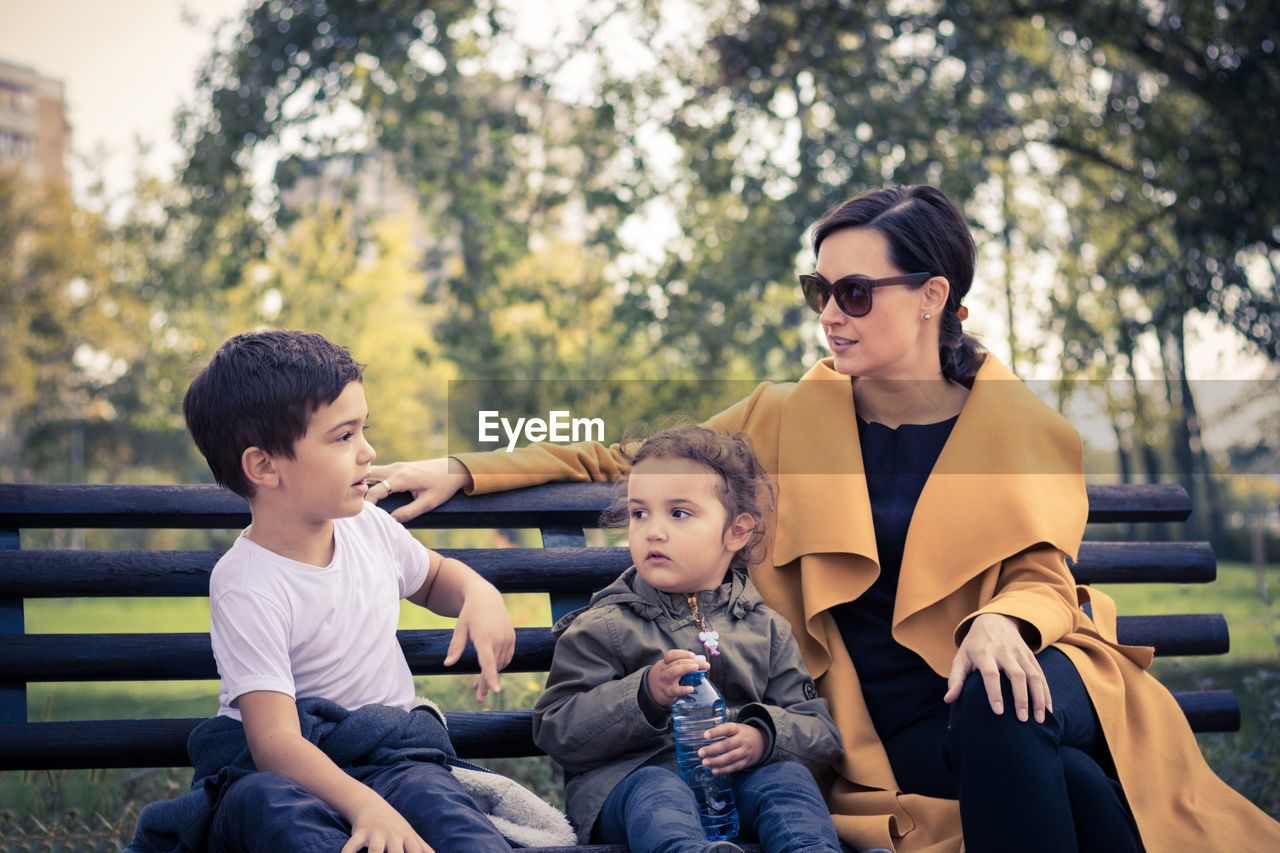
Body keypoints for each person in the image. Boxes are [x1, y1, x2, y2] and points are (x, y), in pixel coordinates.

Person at [369, 185, 1280, 852]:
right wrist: (464, 467)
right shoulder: (782, 416)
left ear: (933, 296)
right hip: (900, 723)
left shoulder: (1022, 426)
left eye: (856, 293)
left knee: (1005, 705)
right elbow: (624, 452)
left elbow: (1043, 569)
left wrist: (1002, 620)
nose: (831, 317)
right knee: (1074, 793)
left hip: (1041, 667)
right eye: (822, 291)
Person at [175, 329, 515, 853]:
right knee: (268, 808)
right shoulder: (247, 584)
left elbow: (435, 578)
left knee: (445, 810)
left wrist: (479, 593)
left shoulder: (368, 529)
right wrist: (365, 806)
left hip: (390, 759)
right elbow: (275, 744)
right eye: (343, 437)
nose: (368, 452)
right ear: (264, 465)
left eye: (364, 430)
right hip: (288, 774)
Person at [531, 425, 844, 853]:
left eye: (678, 513)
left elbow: (819, 732)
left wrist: (763, 737)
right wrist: (643, 695)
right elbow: (556, 731)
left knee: (787, 781)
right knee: (658, 788)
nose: (653, 531)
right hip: (629, 789)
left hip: (735, 792)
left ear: (736, 531)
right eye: (640, 514)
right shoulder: (604, 626)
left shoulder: (766, 628)